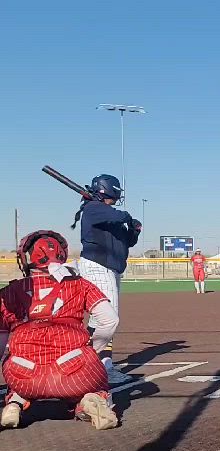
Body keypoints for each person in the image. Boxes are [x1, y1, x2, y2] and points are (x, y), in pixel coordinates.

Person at [1, 230, 120, 430]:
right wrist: (94, 348)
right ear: (62, 255)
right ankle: (90, 400)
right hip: (74, 368)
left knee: (13, 365)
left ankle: (15, 402)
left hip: (24, 371)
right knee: (94, 382)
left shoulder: (11, 292)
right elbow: (110, 320)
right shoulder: (80, 285)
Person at [71, 174, 142, 384]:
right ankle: (94, 362)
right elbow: (119, 216)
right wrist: (127, 216)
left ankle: (99, 364)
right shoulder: (93, 208)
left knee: (102, 318)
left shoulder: (109, 215)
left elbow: (126, 241)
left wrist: (134, 230)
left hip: (111, 269)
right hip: (97, 266)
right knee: (108, 318)